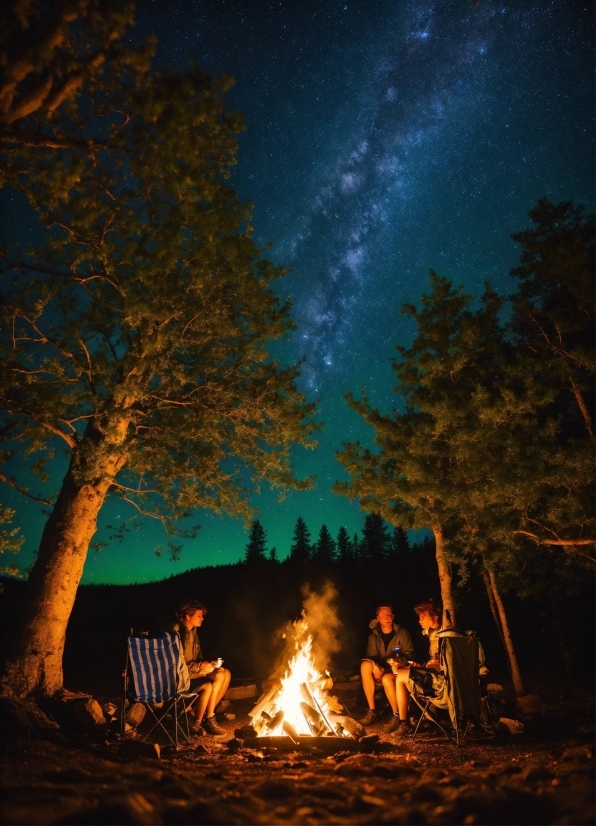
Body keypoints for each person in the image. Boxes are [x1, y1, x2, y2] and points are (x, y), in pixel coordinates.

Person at [390, 599, 488, 739]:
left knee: (400, 676)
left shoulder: (444, 637)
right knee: (407, 672)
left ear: (434, 617)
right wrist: (421, 666)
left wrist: (421, 667)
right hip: (463, 689)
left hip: (444, 687)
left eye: (422, 617)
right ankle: (423, 718)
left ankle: (404, 722)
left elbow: (440, 666)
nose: (419, 621)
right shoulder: (459, 635)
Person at [170, 598, 231, 737]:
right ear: (187, 615)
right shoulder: (176, 633)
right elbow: (176, 664)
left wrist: (210, 664)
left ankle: (207, 716)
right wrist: (200, 667)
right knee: (218, 676)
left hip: (193, 670)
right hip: (182, 675)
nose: (202, 618)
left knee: (224, 673)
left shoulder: (193, 632)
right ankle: (207, 718)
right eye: (199, 615)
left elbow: (198, 657)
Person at [358, 603, 415, 733]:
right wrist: (376, 666)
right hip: (381, 669)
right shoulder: (373, 636)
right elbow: (370, 656)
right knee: (365, 665)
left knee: (386, 679)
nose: (387, 617)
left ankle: (398, 716)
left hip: (397, 669)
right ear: (378, 618)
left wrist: (400, 661)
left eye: (389, 614)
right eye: (383, 614)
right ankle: (372, 711)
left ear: (393, 617)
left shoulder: (402, 633)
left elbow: (410, 653)